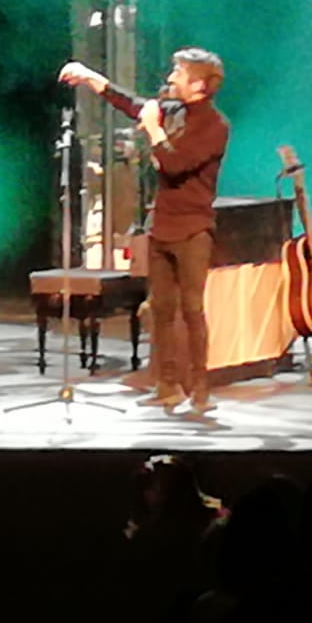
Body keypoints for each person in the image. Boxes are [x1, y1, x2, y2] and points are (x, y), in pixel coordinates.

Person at [60, 48, 230, 413]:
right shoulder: (173, 111)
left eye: (179, 74)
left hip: (194, 229)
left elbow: (175, 164)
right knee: (161, 310)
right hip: (162, 226)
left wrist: (152, 128)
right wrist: (91, 78)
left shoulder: (216, 126)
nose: (170, 79)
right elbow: (133, 103)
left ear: (199, 84)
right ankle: (168, 385)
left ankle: (200, 390)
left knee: (192, 310)